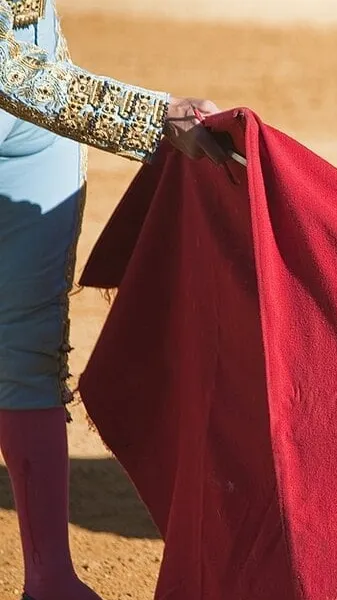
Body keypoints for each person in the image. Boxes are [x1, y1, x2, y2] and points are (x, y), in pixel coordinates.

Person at [0, 1, 229, 598]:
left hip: (33, 72)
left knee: (27, 342)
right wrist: (155, 115)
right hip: (20, 76)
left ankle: (51, 580)